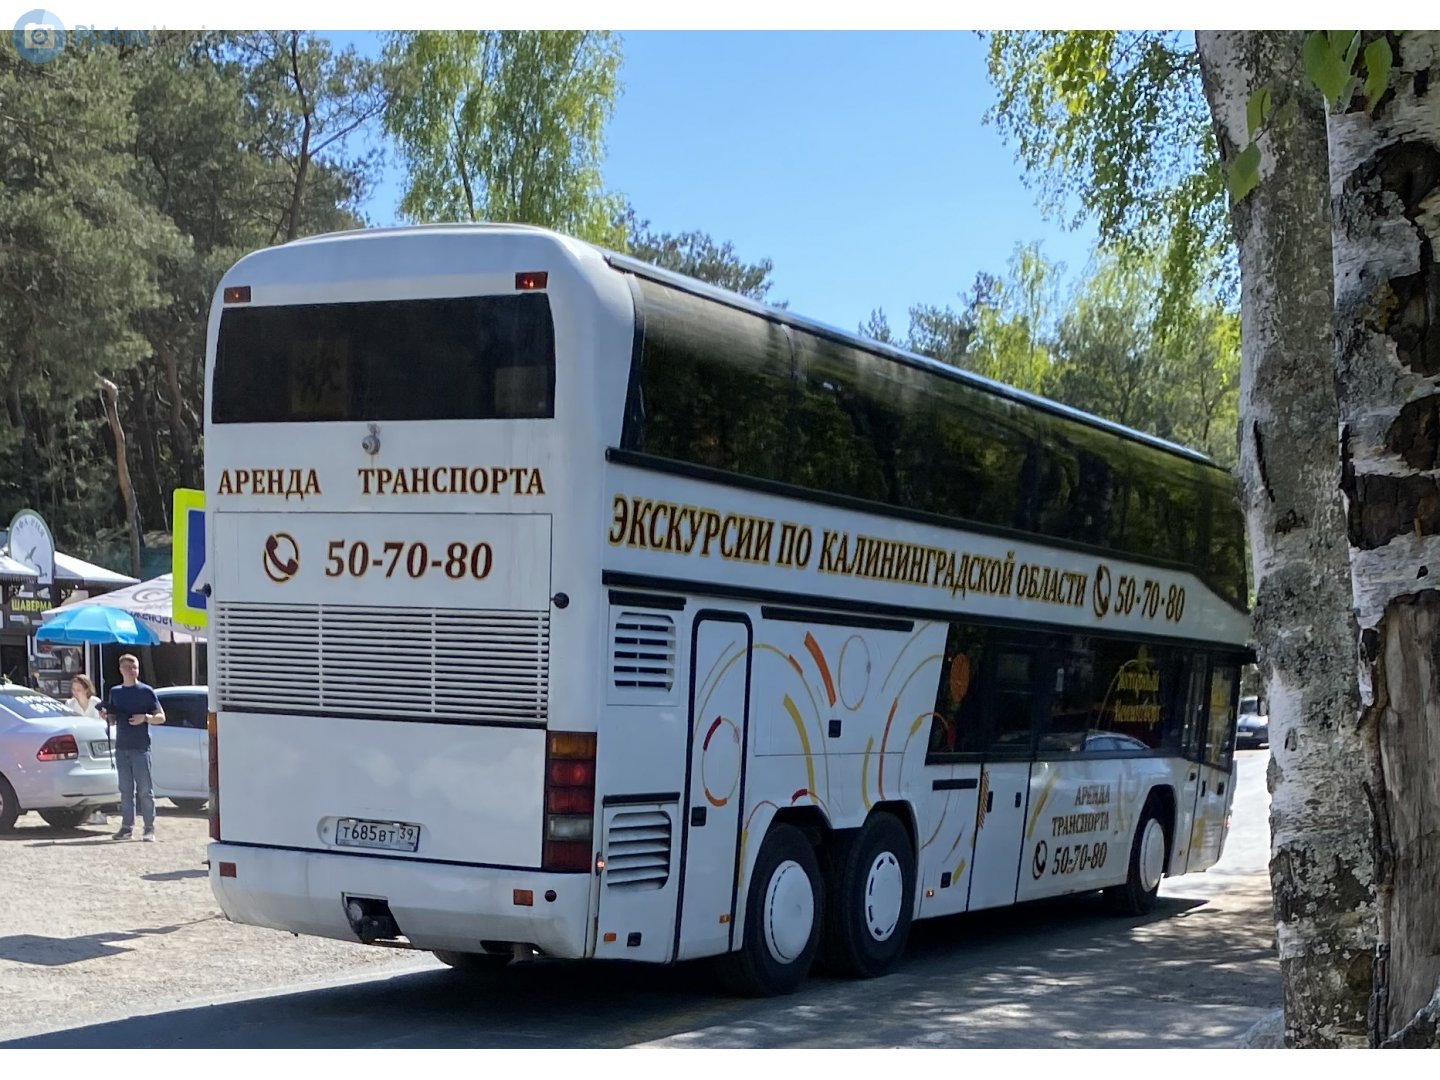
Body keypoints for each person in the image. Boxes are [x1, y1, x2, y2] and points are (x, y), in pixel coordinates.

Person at [99, 654, 166, 841]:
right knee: (125, 790)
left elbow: (161, 717)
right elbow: (113, 718)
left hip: (141, 747)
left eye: (134, 667)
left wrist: (145, 718)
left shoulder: (146, 691)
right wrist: (106, 717)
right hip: (122, 747)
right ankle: (126, 827)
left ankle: (149, 828)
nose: (131, 670)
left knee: (145, 790)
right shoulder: (115, 692)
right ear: (120, 670)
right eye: (127, 667)